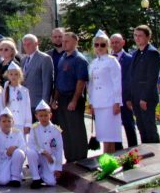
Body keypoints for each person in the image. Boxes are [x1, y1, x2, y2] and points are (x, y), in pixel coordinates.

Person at [53, 31, 88, 163]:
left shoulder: (79, 59)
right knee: (65, 129)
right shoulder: (63, 58)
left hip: (72, 97)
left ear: (75, 42)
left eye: (67, 41)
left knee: (75, 129)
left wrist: (74, 100)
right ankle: (70, 157)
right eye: (63, 41)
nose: (64, 43)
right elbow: (58, 80)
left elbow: (81, 82)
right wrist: (55, 99)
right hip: (62, 98)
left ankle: (80, 157)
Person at [88, 31, 123, 154]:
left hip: (109, 102)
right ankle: (105, 159)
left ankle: (109, 161)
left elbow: (117, 82)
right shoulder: (93, 63)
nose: (99, 47)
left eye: (102, 45)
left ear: (107, 46)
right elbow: (91, 84)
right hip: (98, 103)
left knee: (110, 136)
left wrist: (117, 102)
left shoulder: (112, 61)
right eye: (96, 45)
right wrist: (91, 102)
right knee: (102, 135)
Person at [126, 24, 160, 144]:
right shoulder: (135, 54)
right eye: (135, 35)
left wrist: (144, 98)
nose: (137, 38)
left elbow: (152, 78)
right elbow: (132, 77)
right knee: (141, 128)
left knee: (149, 128)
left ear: (148, 37)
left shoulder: (152, 53)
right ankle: (147, 152)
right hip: (136, 97)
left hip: (146, 98)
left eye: (140, 36)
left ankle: (156, 153)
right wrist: (130, 97)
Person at [26, 100, 63, 188]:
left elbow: (59, 150)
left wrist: (58, 168)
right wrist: (43, 152)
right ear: (36, 116)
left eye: (46, 115)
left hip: (50, 159)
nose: (43, 118)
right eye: (41, 116)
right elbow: (31, 145)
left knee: (51, 183)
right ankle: (36, 178)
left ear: (50, 115)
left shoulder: (56, 130)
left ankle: (41, 173)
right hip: (39, 156)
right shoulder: (34, 128)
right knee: (30, 152)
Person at [110, 32, 138, 148]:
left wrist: (129, 97)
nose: (115, 45)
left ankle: (133, 149)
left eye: (117, 42)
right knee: (114, 126)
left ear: (123, 43)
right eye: (112, 42)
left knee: (128, 124)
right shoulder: (107, 59)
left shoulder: (129, 59)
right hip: (111, 99)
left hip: (125, 98)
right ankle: (118, 149)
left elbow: (131, 80)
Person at [21, 34, 54, 119]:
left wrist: (44, 103)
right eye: (24, 44)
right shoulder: (23, 60)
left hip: (38, 102)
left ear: (36, 44)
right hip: (25, 102)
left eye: (29, 44)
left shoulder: (44, 58)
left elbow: (47, 82)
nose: (26, 46)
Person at [0, 108, 25, 187]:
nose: (6, 123)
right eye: (4, 121)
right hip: (3, 161)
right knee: (3, 181)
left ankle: (16, 178)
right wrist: (6, 153)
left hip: (15, 159)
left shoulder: (18, 133)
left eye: (9, 121)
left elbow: (23, 148)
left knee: (19, 152)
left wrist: (15, 149)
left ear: (13, 122)